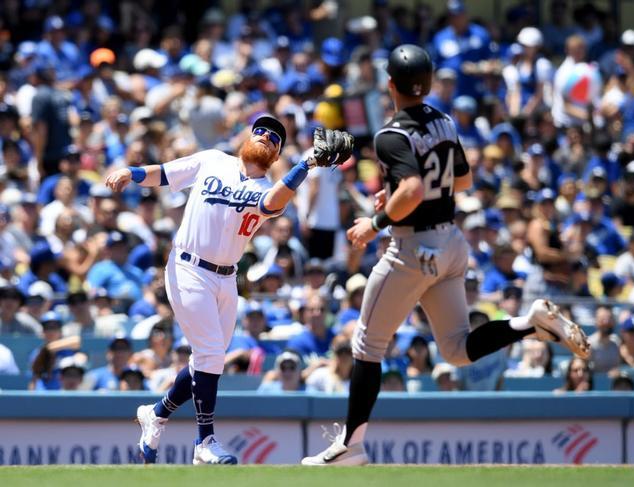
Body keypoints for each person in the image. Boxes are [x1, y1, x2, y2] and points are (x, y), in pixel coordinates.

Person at [302, 44, 590, 466]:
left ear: (390, 85)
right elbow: (464, 178)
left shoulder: (390, 134)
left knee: (366, 345)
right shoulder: (444, 120)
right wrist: (400, 193)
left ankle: (351, 445)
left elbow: (415, 189)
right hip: (452, 243)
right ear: (429, 82)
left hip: (413, 247)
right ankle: (529, 323)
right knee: (456, 349)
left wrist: (377, 219)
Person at [105, 114, 353, 465]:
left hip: (226, 278)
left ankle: (157, 413)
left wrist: (308, 163)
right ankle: (204, 441)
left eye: (275, 138)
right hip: (188, 267)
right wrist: (132, 173)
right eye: (261, 131)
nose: (266, 136)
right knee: (209, 355)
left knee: (205, 361)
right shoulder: (212, 160)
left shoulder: (267, 189)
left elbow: (271, 205)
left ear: (277, 155)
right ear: (248, 136)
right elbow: (165, 173)